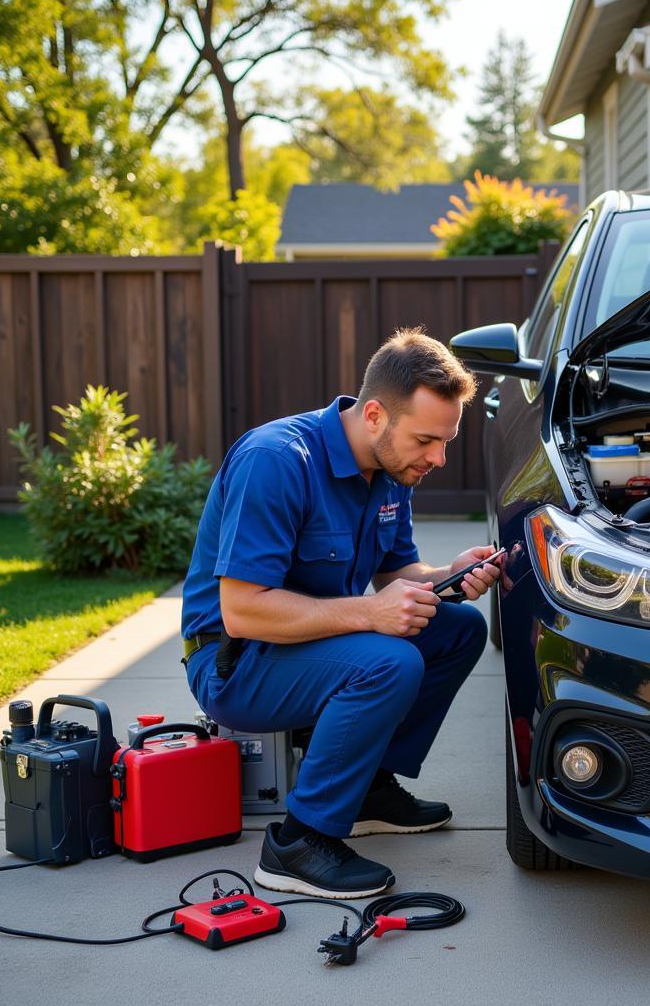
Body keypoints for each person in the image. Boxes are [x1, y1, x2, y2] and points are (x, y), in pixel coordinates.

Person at [180, 328, 502, 899]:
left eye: (446, 441)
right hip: (235, 662)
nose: (439, 458)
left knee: (457, 630)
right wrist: (372, 615)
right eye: (427, 440)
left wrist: (447, 576)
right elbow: (242, 613)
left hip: (307, 646)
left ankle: (367, 790)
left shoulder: (392, 471)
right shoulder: (276, 460)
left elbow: (396, 576)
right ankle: (298, 842)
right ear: (374, 414)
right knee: (390, 662)